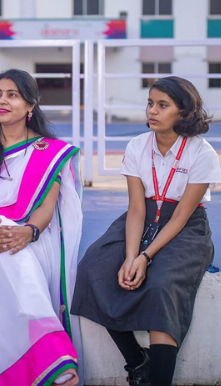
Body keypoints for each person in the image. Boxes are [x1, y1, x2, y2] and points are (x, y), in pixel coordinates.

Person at [72, 76, 221, 386]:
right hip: (141, 219)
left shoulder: (202, 153)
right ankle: (137, 362)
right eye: (151, 103)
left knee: (161, 285)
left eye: (163, 105)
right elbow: (137, 209)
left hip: (185, 226)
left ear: (183, 112)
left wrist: (145, 257)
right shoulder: (137, 145)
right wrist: (131, 257)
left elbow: (180, 216)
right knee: (92, 269)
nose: (152, 111)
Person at [0, 69, 83, 386]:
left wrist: (30, 232)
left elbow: (46, 207)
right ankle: (52, 359)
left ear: (30, 105)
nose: (2, 100)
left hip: (30, 229)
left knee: (18, 254)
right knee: (3, 242)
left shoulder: (49, 151)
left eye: (12, 95)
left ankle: (35, 361)